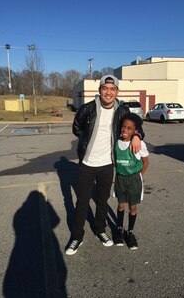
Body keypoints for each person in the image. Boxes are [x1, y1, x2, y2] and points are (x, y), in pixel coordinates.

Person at [65, 75, 144, 255]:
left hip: (107, 164)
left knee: (102, 201)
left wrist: (137, 136)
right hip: (87, 163)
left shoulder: (122, 111)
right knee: (82, 202)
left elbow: (138, 126)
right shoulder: (88, 108)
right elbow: (76, 128)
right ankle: (77, 236)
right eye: (105, 88)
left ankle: (100, 230)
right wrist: (87, 139)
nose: (108, 92)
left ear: (117, 92)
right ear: (100, 90)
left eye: (112, 89)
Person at [114, 113, 149, 250]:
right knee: (121, 205)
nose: (125, 130)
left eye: (129, 128)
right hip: (120, 178)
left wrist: (140, 174)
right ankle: (119, 230)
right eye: (123, 127)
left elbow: (146, 161)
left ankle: (131, 232)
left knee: (132, 207)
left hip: (134, 179)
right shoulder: (116, 143)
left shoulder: (139, 144)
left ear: (135, 131)